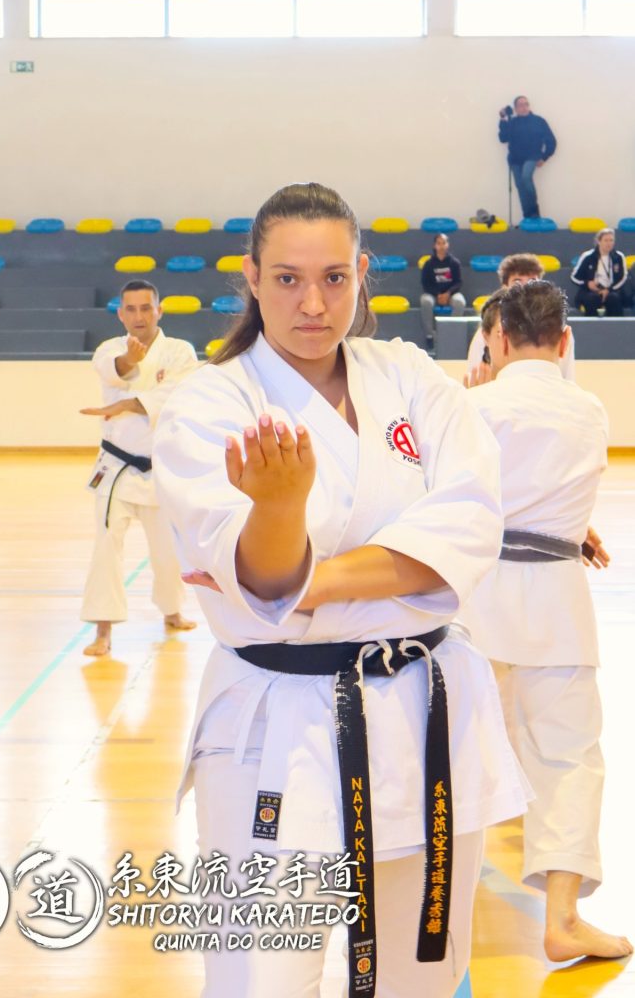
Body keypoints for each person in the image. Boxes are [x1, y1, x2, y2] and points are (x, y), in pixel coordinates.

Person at [151, 183, 530, 998]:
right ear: (251, 277)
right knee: (259, 977)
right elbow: (258, 576)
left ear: (361, 273)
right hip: (276, 719)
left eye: (332, 277)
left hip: (423, 710)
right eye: (287, 279)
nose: (313, 304)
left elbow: (469, 527)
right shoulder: (208, 402)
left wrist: (308, 579)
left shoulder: (408, 376)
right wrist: (278, 517)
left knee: (421, 976)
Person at [462, 280, 633, 963]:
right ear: (564, 341)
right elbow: (555, 488)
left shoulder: (472, 406)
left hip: (475, 594)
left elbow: (452, 495)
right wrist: (572, 529)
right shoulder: (588, 408)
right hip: (557, 596)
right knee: (567, 756)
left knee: (454, 745)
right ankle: (561, 918)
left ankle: (436, 895)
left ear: (497, 338)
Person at [79, 279, 197, 656]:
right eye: (130, 309)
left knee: (167, 551)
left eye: (146, 308)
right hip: (116, 467)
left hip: (161, 469)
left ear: (159, 310)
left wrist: (128, 404)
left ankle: (172, 611)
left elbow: (176, 395)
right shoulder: (110, 349)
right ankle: (103, 629)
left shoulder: (179, 352)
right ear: (120, 314)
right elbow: (115, 369)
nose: (139, 316)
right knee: (106, 545)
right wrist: (131, 361)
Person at [465, 253, 575, 386]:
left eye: (532, 281)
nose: (525, 286)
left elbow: (567, 377)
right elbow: (474, 376)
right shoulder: (489, 329)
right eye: (517, 281)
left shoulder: (557, 328)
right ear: (505, 286)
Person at [498, 95, 556, 220]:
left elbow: (551, 141)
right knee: (521, 187)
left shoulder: (539, 121)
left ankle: (535, 213)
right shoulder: (512, 122)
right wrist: (503, 119)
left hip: (532, 156)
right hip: (515, 159)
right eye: (520, 105)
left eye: (526, 104)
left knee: (526, 177)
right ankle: (528, 217)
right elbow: (503, 138)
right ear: (515, 108)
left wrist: (544, 157)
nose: (524, 107)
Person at [419, 233, 465, 351]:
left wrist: (448, 293)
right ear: (435, 245)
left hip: (450, 294)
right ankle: (430, 336)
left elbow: (458, 282)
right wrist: (437, 295)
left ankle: (450, 333)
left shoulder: (454, 263)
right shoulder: (428, 264)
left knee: (460, 302)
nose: (441, 246)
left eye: (444, 243)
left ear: (447, 245)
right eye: (439, 243)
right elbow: (425, 284)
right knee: (425, 301)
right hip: (434, 294)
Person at [571, 227, 627, 317]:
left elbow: (623, 278)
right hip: (590, 291)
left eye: (611, 240)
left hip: (611, 290)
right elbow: (574, 277)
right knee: (592, 299)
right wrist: (587, 283)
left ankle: (616, 325)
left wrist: (608, 290)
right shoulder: (587, 256)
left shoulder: (619, 257)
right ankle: (591, 325)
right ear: (599, 241)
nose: (609, 243)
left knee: (614, 298)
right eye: (606, 240)